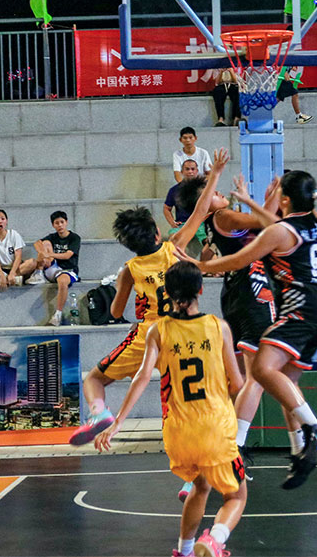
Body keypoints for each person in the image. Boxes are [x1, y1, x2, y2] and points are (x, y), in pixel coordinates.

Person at [187, 169, 317, 488]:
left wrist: (199, 265)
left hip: (291, 304)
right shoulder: (310, 222)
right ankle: (300, 449)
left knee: (261, 371)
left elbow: (243, 254)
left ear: (285, 200)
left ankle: (307, 429)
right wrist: (252, 201)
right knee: (285, 382)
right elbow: (268, 223)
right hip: (313, 306)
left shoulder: (275, 230)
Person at [68, 148, 230, 449]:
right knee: (182, 396)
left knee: (94, 379)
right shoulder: (174, 246)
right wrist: (215, 175)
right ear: (158, 232)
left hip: (148, 335)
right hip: (183, 332)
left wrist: (131, 306)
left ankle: (99, 414)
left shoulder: (129, 269)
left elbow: (116, 311)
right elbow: (199, 212)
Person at [94, 261, 247, 557]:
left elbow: (141, 378)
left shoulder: (158, 330)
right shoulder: (218, 327)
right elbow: (238, 383)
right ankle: (214, 540)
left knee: (200, 486)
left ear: (168, 292)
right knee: (236, 497)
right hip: (214, 427)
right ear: (201, 290)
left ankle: (184, 551)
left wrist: (118, 422)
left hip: (178, 432)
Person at [176, 170, 282, 480]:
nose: (221, 194)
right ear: (206, 201)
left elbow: (262, 225)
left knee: (242, 380)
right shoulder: (222, 216)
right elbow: (267, 223)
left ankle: (223, 439)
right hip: (251, 290)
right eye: (215, 192)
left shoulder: (212, 224)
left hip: (234, 294)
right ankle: (233, 449)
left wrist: (266, 200)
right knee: (257, 376)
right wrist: (272, 197)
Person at [31, 211, 82, 326]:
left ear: (66, 222)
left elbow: (67, 255)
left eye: (62, 222)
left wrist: (49, 254)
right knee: (45, 243)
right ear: (53, 225)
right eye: (57, 223)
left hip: (68, 270)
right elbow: (36, 243)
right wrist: (43, 253)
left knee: (62, 281)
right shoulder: (52, 237)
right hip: (52, 267)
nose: (60, 225)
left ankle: (57, 314)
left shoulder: (74, 238)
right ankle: (38, 273)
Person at [0, 208, 37, 289]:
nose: (0, 221)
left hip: (15, 269)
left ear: (6, 221)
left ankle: (9, 279)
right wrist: (1, 275)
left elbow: (18, 256)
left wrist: (12, 273)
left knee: (32, 262)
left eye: (3, 219)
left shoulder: (14, 234)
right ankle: (11, 280)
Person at [163, 160, 210, 257]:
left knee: (209, 243)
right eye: (187, 169)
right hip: (182, 225)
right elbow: (166, 208)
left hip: (200, 223)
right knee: (172, 239)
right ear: (182, 172)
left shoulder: (204, 189)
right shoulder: (174, 190)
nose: (190, 172)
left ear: (197, 171)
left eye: (193, 169)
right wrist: (172, 222)